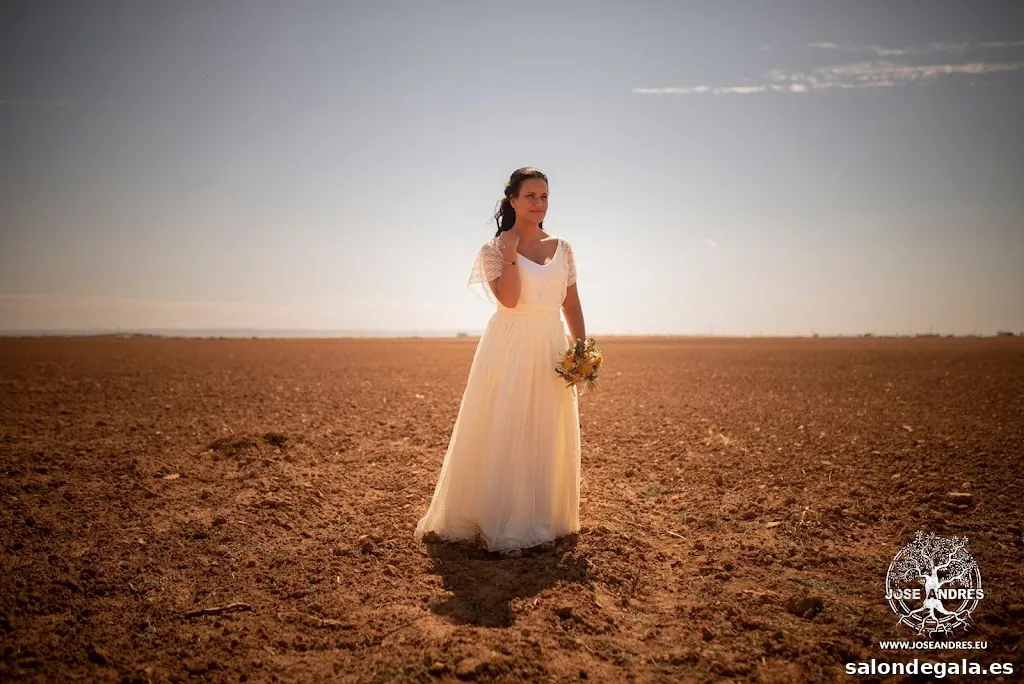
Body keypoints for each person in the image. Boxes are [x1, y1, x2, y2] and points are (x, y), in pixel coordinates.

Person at [413, 167, 586, 557]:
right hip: (509, 345)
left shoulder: (564, 248)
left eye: (544, 196)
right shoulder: (493, 249)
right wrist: (510, 251)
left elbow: (570, 302)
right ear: (512, 201)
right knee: (506, 422)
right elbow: (508, 300)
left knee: (544, 423)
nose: (539, 203)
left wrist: (582, 348)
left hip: (551, 345)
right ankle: (498, 516)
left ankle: (542, 516)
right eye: (530, 196)